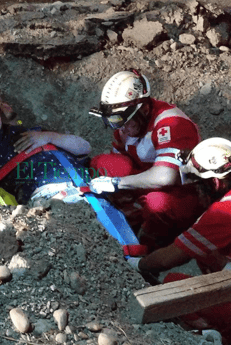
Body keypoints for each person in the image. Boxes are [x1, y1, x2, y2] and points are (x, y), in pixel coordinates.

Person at [127, 137, 231, 345]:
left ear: (215, 182)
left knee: (172, 283)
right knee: (206, 253)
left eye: (198, 183)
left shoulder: (226, 211)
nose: (195, 189)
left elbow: (168, 259)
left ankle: (213, 335)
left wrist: (137, 264)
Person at [88, 69, 206, 252]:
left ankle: (148, 245)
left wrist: (117, 183)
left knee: (157, 203)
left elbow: (166, 176)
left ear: (143, 109)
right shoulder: (127, 122)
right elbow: (118, 154)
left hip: (181, 191)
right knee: (103, 162)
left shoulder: (172, 123)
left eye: (122, 120)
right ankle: (128, 214)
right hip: (144, 178)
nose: (120, 128)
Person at [0, 87, 93, 204]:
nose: (2, 103)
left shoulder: (40, 133)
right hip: (52, 195)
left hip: (91, 187)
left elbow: (85, 148)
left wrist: (49, 136)